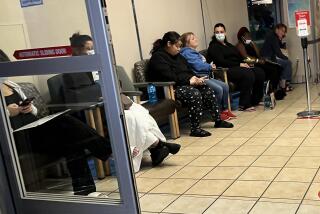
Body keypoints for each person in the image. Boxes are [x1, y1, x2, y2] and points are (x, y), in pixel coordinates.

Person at [65, 34, 181, 171]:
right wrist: (101, 90)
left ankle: (157, 147)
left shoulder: (99, 65)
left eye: (93, 48)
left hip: (114, 102)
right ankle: (157, 145)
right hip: (95, 109)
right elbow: (79, 94)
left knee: (140, 112)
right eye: (88, 49)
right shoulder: (72, 69)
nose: (92, 52)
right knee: (129, 118)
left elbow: (114, 83)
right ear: (77, 50)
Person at [148, 31, 234, 138]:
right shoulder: (158, 58)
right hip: (168, 89)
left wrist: (195, 78)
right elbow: (170, 77)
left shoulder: (178, 56)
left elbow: (188, 70)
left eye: (180, 46)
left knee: (206, 89)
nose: (179, 49)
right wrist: (189, 81)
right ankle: (195, 128)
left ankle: (217, 120)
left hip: (183, 84)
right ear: (169, 44)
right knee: (194, 93)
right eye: (177, 46)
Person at [207, 23, 265, 111]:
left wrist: (246, 63)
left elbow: (239, 57)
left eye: (221, 32)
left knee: (259, 72)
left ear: (225, 33)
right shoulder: (213, 46)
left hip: (237, 67)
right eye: (217, 32)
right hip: (225, 70)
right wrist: (239, 64)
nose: (219, 34)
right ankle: (244, 104)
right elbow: (221, 61)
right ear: (214, 34)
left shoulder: (229, 45)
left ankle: (255, 100)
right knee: (247, 73)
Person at [180, 32, 236, 120]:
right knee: (219, 89)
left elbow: (201, 64)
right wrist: (210, 66)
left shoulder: (194, 52)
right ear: (187, 43)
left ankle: (224, 110)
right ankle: (216, 114)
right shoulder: (187, 52)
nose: (196, 39)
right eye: (192, 38)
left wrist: (209, 67)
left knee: (225, 86)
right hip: (199, 77)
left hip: (206, 76)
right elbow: (198, 66)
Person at [236, 27, 283, 96]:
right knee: (272, 70)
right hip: (252, 63)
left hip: (258, 61)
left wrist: (254, 45)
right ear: (242, 37)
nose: (248, 37)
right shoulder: (240, 45)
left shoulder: (251, 44)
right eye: (246, 36)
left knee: (278, 67)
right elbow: (246, 57)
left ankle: (274, 88)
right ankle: (270, 90)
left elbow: (258, 55)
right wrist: (257, 60)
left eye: (249, 35)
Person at [261, 23, 292, 91]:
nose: (283, 33)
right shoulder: (273, 37)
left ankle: (284, 83)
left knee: (285, 62)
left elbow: (278, 49)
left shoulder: (273, 37)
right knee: (287, 63)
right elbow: (278, 53)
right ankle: (285, 84)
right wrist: (286, 58)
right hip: (268, 59)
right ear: (277, 30)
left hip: (271, 58)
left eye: (284, 32)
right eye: (282, 31)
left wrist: (280, 39)